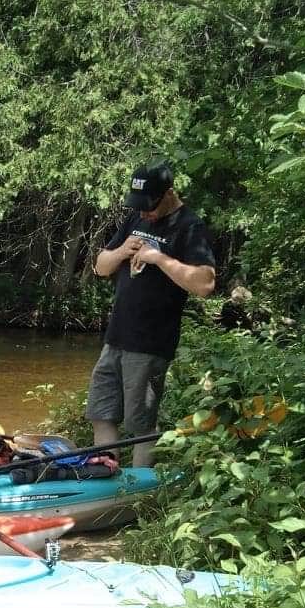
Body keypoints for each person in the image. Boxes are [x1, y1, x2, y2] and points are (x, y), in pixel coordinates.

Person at [87, 160, 216, 469]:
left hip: (150, 344)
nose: (144, 213)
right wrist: (121, 252)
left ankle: (137, 490)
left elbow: (205, 283)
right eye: (139, 206)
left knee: (140, 425)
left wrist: (158, 257)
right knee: (100, 412)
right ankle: (105, 478)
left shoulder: (190, 227)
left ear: (169, 194)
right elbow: (100, 267)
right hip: (115, 337)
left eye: (149, 206)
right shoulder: (137, 218)